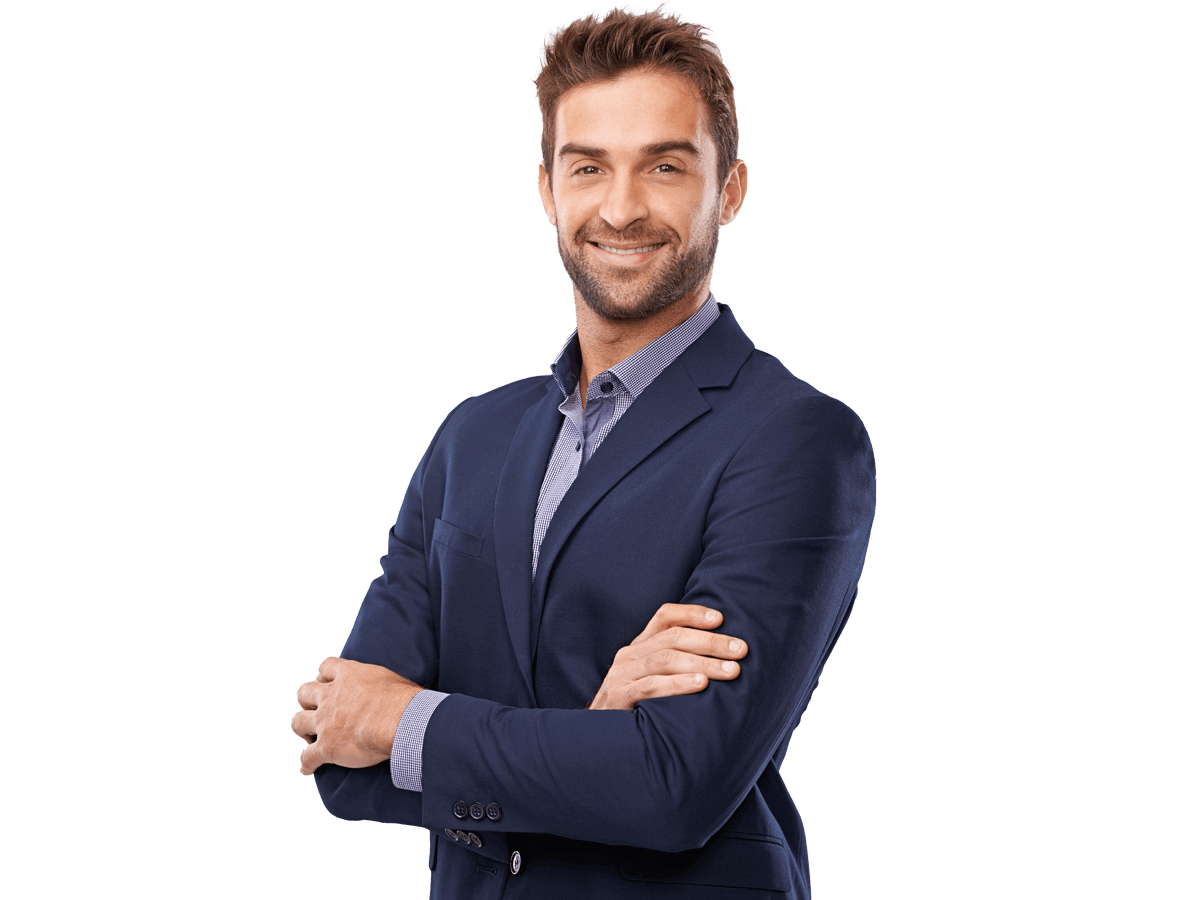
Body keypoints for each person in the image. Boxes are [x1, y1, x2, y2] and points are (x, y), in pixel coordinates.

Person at [292, 5, 875, 898]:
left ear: (731, 190)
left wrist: (410, 726)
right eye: (589, 166)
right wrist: (585, 741)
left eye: (666, 166)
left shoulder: (798, 440)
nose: (622, 207)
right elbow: (336, 761)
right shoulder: (470, 436)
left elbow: (675, 788)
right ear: (547, 191)